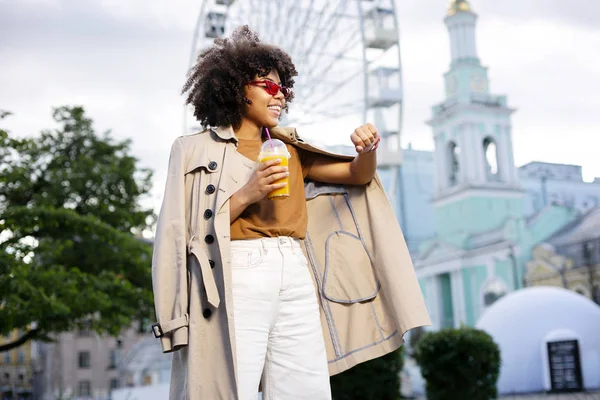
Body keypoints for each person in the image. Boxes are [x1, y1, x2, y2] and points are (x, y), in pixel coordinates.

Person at [151, 26, 430, 400]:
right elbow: (177, 233)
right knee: (231, 384)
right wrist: (249, 193)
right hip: (234, 270)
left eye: (283, 88)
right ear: (236, 88)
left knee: (304, 387)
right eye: (267, 85)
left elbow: (356, 175)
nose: (279, 94)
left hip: (296, 269)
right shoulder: (192, 150)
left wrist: (368, 150)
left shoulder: (291, 148)